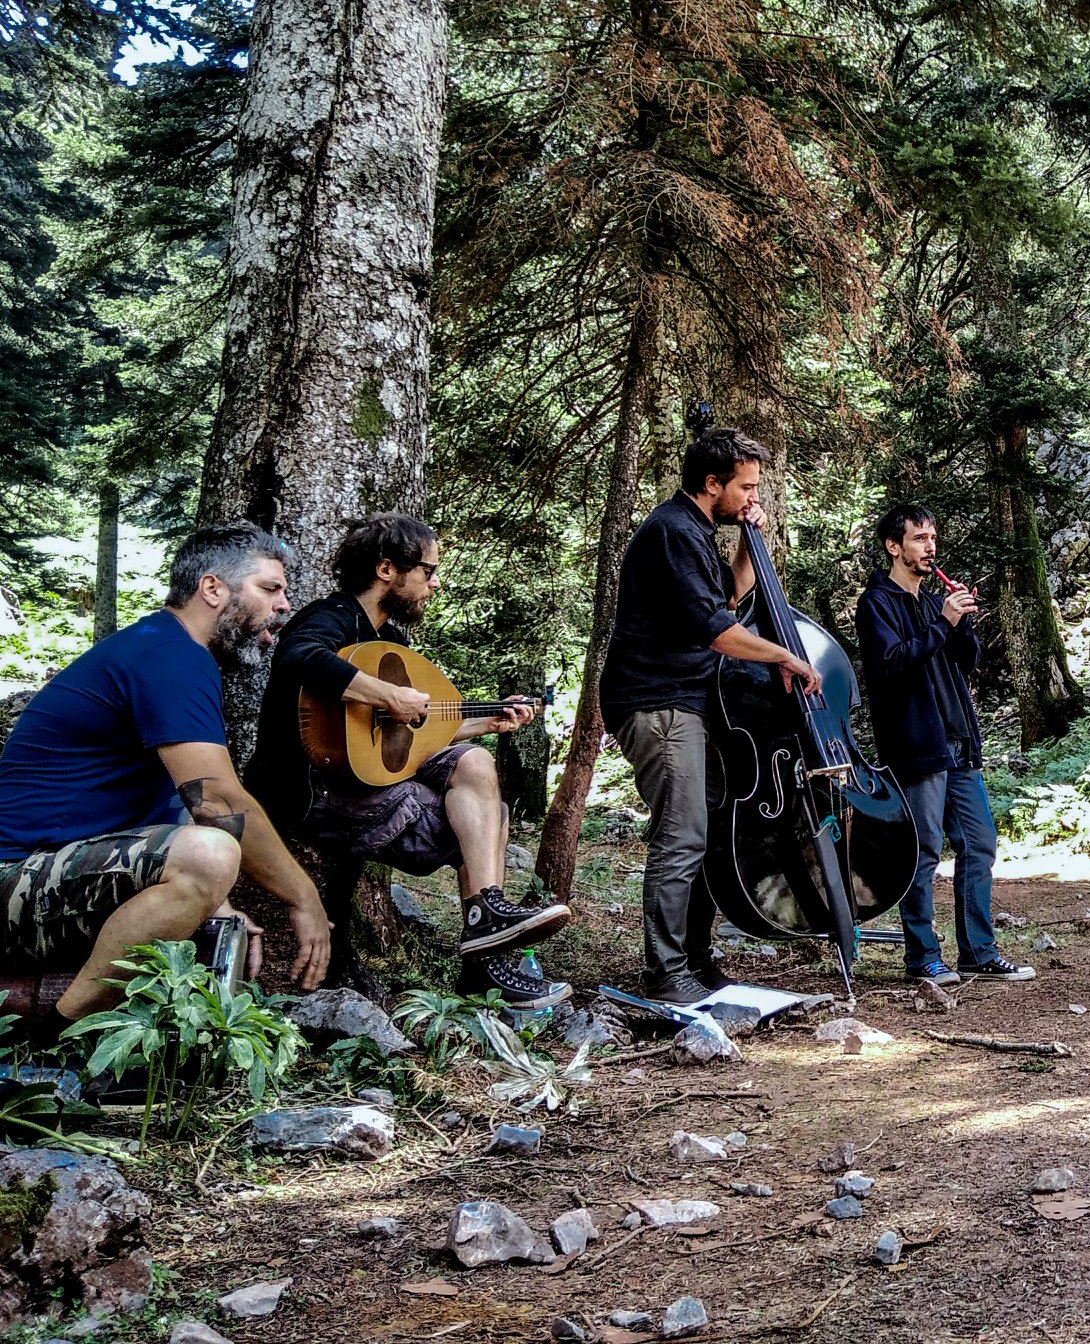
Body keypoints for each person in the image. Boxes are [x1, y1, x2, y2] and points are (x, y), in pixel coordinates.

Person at [0, 524, 332, 1028]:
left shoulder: (169, 650)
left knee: (210, 885)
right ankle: (63, 1033)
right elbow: (216, 802)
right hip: (12, 881)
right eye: (270, 588)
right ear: (213, 588)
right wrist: (304, 899)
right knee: (210, 851)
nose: (284, 605)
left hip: (47, 877)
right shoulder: (168, 656)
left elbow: (169, 809)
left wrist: (213, 902)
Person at [247, 514, 569, 1009]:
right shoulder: (330, 617)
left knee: (477, 765)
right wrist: (388, 694)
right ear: (386, 570)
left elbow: (407, 735)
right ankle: (486, 966)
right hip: (315, 790)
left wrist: (486, 721)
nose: (435, 583)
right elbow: (297, 657)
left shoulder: (391, 643)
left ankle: (486, 920)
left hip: (366, 778)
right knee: (487, 824)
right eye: (428, 571)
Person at [601, 426, 824, 1007]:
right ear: (711, 484)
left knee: (707, 835)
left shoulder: (695, 530)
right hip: (658, 703)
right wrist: (784, 656)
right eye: (746, 488)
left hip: (687, 703)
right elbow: (717, 631)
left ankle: (697, 959)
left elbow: (725, 598)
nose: (753, 497)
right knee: (682, 837)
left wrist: (751, 542)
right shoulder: (673, 532)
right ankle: (667, 971)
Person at [856, 505, 1033, 988]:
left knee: (980, 843)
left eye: (933, 537)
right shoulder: (876, 603)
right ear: (895, 546)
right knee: (924, 849)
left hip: (959, 742)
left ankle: (979, 952)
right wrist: (942, 624)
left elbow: (965, 663)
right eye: (919, 538)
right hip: (916, 746)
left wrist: (962, 624)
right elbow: (892, 665)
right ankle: (923, 958)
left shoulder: (935, 601)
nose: (929, 547)